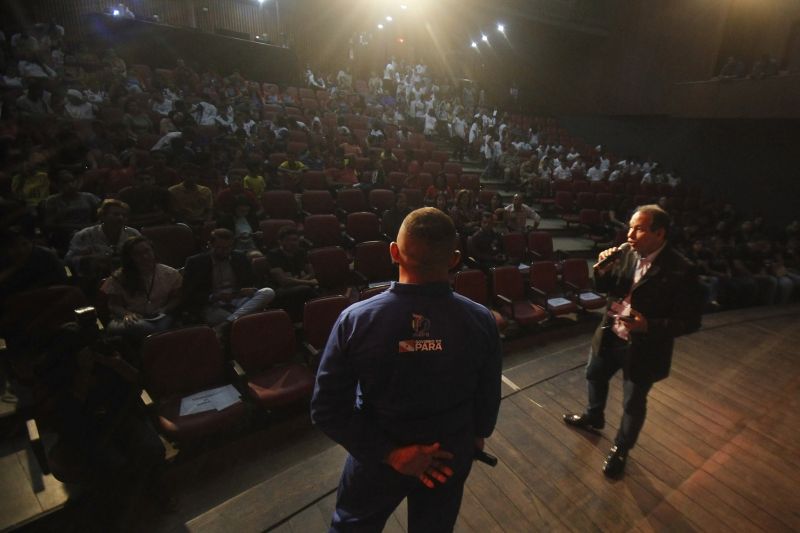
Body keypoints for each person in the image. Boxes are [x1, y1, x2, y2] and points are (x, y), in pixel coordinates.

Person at [311, 207, 502, 532]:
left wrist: (392, 454)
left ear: (394, 252)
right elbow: (488, 397)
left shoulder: (356, 320)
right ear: (455, 259)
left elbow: (327, 409)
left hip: (376, 454)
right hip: (448, 456)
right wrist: (475, 438)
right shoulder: (482, 320)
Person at [563, 204, 702, 478]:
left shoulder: (682, 270)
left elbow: (691, 322)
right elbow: (607, 289)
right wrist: (600, 271)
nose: (630, 233)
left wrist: (648, 325)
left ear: (659, 233)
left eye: (638, 229)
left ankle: (621, 449)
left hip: (644, 347)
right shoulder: (626, 252)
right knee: (593, 374)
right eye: (630, 227)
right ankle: (594, 416)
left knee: (633, 403)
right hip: (610, 334)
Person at [182, 229, 275, 335]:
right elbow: (188, 293)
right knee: (247, 322)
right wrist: (215, 297)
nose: (224, 251)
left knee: (268, 292)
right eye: (220, 248)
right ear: (210, 245)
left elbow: (253, 281)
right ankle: (233, 322)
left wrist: (250, 289)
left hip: (237, 298)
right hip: (213, 305)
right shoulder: (195, 262)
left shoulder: (239, 257)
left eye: (228, 248)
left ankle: (225, 324)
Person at [101, 236, 182, 344]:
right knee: (145, 328)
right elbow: (114, 305)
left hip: (159, 316)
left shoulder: (170, 273)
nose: (144, 256)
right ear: (129, 257)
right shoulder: (120, 277)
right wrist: (127, 314)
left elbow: (177, 298)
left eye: (147, 251)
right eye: (137, 254)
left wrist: (164, 309)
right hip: (129, 318)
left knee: (163, 325)